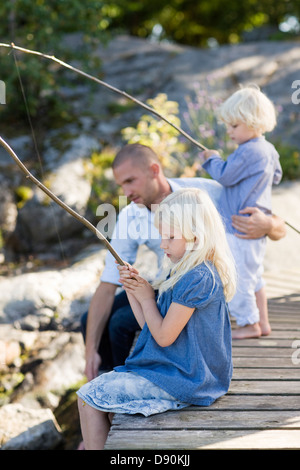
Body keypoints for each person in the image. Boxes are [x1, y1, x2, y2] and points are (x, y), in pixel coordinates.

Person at [82, 143, 286, 382]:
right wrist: (89, 353)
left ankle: (133, 379)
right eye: (121, 185)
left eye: (130, 181)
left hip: (202, 286)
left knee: (119, 324)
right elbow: (108, 284)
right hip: (168, 282)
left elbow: (278, 226)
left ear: (154, 170)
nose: (125, 192)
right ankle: (103, 378)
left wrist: (269, 225)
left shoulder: (202, 193)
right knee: (88, 320)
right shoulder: (130, 215)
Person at [77, 188, 237, 450]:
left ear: (196, 236)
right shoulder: (183, 268)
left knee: (87, 397)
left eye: (170, 237)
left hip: (190, 379)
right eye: (161, 236)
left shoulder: (199, 277)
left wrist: (148, 298)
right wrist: (133, 292)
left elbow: (163, 337)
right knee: (99, 401)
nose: (162, 244)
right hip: (177, 368)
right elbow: (150, 328)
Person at [202, 84, 282, 339]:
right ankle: (263, 322)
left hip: (239, 227)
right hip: (254, 225)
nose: (229, 132)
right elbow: (277, 176)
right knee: (254, 275)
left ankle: (249, 324)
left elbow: (224, 175)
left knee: (239, 277)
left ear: (253, 122)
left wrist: (211, 159)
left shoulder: (248, 151)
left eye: (234, 126)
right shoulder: (268, 149)